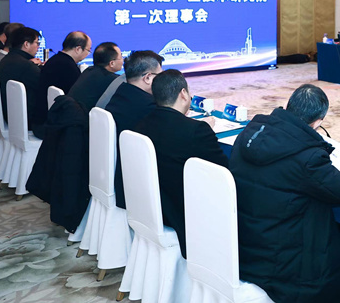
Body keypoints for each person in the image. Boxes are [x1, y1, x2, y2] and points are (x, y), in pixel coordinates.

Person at [230, 84, 340, 303]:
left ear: (287, 106)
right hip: (283, 268)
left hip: (245, 249)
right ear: (318, 122)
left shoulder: (249, 133)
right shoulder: (308, 158)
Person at [133, 69, 227, 257]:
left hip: (150, 208)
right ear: (183, 94)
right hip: (183, 214)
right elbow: (224, 173)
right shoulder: (196, 131)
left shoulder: (141, 124)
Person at [107, 51, 163, 209]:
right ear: (148, 78)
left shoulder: (122, 92)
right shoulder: (147, 106)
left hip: (116, 171)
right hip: (134, 183)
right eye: (160, 76)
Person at [32, 31, 91, 138]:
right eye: (88, 50)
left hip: (43, 121)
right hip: (52, 127)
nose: (88, 54)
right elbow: (78, 100)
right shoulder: (69, 67)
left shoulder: (54, 60)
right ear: (78, 49)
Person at [0, 26, 41, 125]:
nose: (38, 47)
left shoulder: (7, 59)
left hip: (10, 116)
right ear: (26, 44)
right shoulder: (26, 66)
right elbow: (43, 86)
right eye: (37, 43)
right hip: (26, 120)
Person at [68, 42, 123, 112]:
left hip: (68, 113)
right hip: (82, 117)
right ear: (112, 63)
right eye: (121, 57)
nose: (123, 59)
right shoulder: (113, 81)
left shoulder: (89, 70)